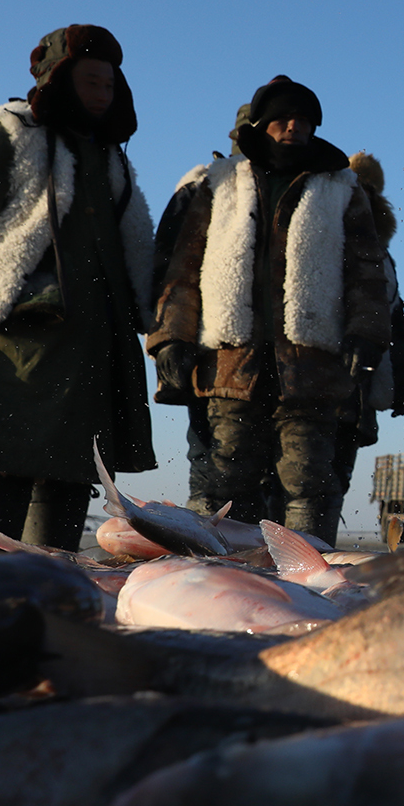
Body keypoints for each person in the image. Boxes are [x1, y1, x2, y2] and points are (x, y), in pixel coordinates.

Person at [0, 25, 156, 551]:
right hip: (17, 334)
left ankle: (47, 582)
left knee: (73, 463)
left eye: (110, 84)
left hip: (92, 342)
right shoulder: (6, 132)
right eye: (91, 81)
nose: (103, 94)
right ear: (59, 79)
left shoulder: (109, 159)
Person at [148, 76, 390, 545]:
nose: (294, 126)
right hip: (231, 364)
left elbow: (366, 273)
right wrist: (170, 337)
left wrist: (367, 336)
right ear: (262, 123)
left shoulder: (341, 189)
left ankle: (306, 590)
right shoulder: (220, 183)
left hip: (311, 366)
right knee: (227, 485)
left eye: (303, 119)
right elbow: (185, 267)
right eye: (283, 118)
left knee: (308, 485)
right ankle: (221, 588)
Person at [152, 105, 245, 513]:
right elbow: (170, 270)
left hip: (267, 358)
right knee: (209, 458)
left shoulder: (304, 189)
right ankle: (207, 553)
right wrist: (170, 339)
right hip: (208, 350)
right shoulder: (202, 185)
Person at [335, 150, 404, 497]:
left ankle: (313, 550)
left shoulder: (384, 258)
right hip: (315, 378)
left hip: (361, 386)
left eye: (370, 186)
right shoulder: (325, 236)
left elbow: (393, 321)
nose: (363, 192)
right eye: (356, 182)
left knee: (335, 479)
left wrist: (403, 379)